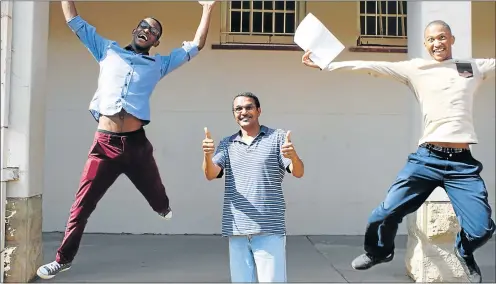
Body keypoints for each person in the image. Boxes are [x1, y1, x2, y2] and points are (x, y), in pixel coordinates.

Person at [302, 20, 495, 283]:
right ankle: (379, 252)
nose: (436, 43)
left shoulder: (472, 67)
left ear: (451, 39)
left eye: (441, 38)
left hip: (462, 164)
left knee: (483, 229)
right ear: (425, 44)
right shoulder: (416, 68)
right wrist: (329, 65)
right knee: (383, 214)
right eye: (431, 40)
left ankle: (464, 250)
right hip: (427, 159)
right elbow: (371, 66)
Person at [37, 0, 216, 280]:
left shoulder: (159, 64)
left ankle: (162, 207)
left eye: (154, 30)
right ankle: (63, 259)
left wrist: (207, 9)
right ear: (135, 30)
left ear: (156, 41)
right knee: (81, 205)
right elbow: (74, 21)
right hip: (104, 145)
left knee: (157, 196)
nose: (147, 30)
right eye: (144, 25)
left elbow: (196, 45)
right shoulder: (107, 50)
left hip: (136, 145)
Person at [202, 92, 305, 283]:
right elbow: (211, 174)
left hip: (269, 228)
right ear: (234, 114)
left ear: (258, 110)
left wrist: (293, 156)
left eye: (249, 107)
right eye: (238, 109)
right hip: (237, 229)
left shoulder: (277, 138)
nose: (244, 112)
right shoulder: (227, 143)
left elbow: (298, 172)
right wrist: (207, 155)